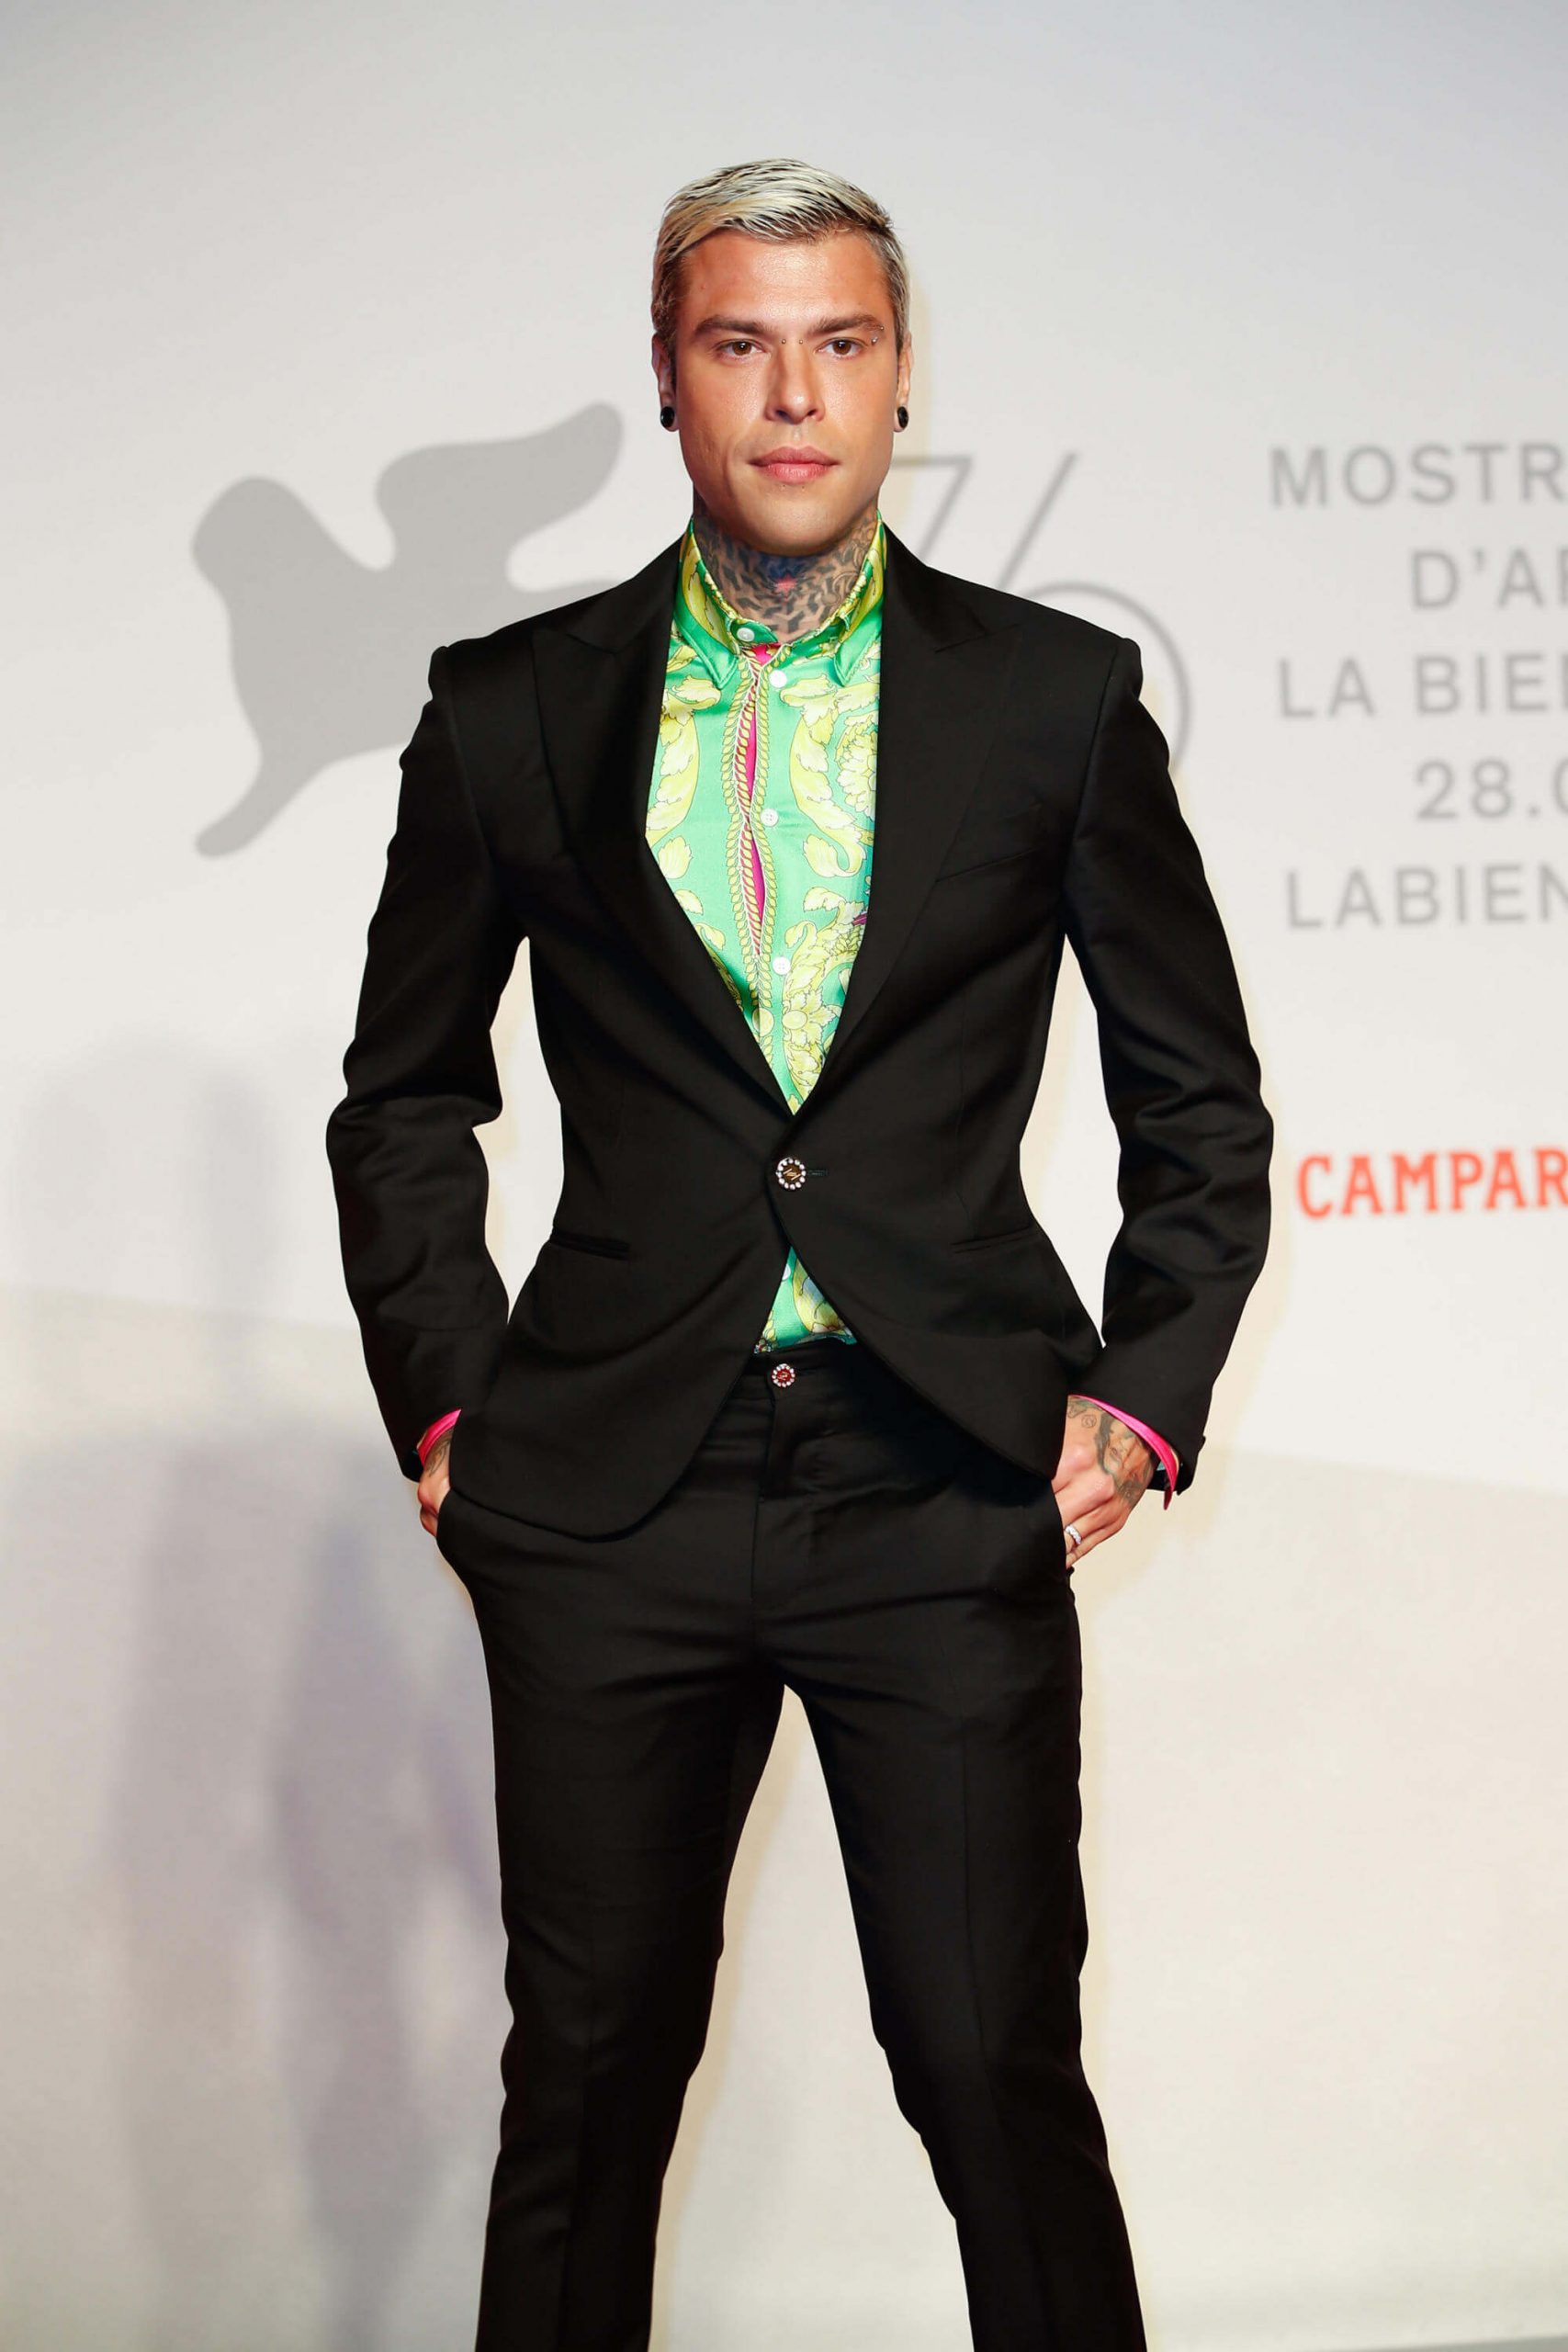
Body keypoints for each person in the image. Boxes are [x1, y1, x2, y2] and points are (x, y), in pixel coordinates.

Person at [325, 154, 1272, 2352]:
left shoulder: (1050, 700)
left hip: (933, 1474)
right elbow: (403, 1095)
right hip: (608, 1490)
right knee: (585, 2089)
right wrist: (452, 1407)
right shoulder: (510, 704)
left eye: (837, 343)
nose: (791, 394)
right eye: (737, 343)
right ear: (664, 377)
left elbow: (1198, 1104)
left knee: (991, 2075)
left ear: (899, 373)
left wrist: (1137, 1394)